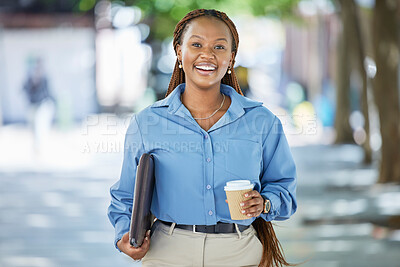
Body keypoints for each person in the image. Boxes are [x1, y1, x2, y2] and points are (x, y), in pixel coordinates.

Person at [108, 9, 297, 267]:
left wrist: (264, 203)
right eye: (196, 44)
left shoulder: (261, 122)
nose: (207, 54)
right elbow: (126, 197)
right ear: (179, 52)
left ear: (231, 58)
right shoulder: (147, 123)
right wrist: (124, 236)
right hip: (169, 253)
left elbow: (284, 189)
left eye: (219, 47)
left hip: (239, 253)